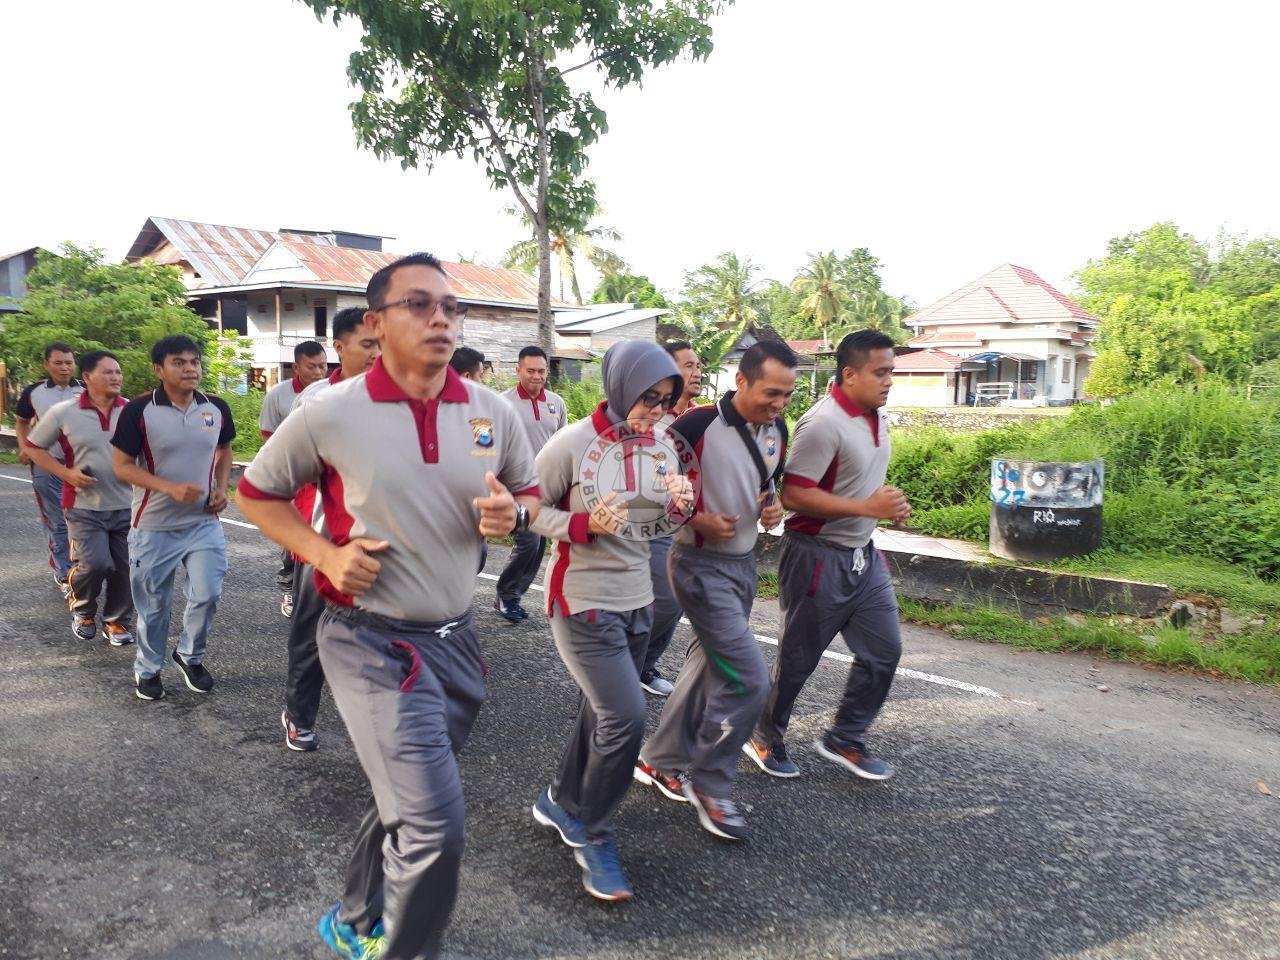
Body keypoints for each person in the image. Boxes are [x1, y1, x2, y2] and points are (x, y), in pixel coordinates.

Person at [236, 252, 539, 960]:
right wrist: (323, 554)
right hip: (367, 642)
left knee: (401, 798)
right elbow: (256, 494)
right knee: (434, 822)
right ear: (376, 323)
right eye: (420, 304)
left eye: (451, 307)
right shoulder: (330, 412)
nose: (441, 318)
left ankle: (354, 914)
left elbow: (528, 494)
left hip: (456, 638)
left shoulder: (489, 410)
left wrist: (513, 515)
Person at [529, 341, 687, 901]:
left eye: (667, 401)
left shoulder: (663, 444)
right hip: (582, 600)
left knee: (598, 714)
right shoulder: (572, 444)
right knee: (625, 715)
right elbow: (528, 511)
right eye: (648, 398)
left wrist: (678, 501)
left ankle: (561, 801)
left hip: (637, 599)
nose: (656, 411)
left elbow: (656, 519)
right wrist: (582, 524)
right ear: (620, 387)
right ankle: (593, 832)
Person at [636, 341, 796, 842]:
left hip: (743, 567)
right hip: (697, 567)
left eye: (788, 395)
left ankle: (658, 760)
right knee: (748, 677)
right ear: (741, 382)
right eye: (771, 392)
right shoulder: (694, 427)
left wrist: (772, 509)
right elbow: (648, 494)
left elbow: (769, 486)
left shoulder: (778, 429)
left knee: (707, 664)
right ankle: (710, 779)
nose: (779, 404)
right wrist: (698, 517)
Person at [748, 330, 910, 781]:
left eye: (891, 371)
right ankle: (764, 734)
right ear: (850, 374)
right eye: (881, 372)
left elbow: (856, 481)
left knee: (884, 651)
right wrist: (865, 507)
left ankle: (845, 736)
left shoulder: (875, 415)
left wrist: (885, 506)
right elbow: (795, 494)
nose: (889, 381)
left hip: (864, 554)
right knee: (798, 659)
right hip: (816, 557)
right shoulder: (823, 423)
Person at [111, 335, 235, 702]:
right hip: (154, 527)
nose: (190, 368)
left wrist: (222, 488)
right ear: (159, 369)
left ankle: (189, 655)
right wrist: (167, 487)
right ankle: (148, 669)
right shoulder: (138, 411)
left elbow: (225, 450)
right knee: (154, 604)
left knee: (208, 593)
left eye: (194, 361)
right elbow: (121, 467)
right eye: (179, 362)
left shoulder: (215, 407)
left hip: (203, 523)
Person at [279, 307, 381, 752]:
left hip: (383, 540)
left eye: (382, 344)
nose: (377, 354)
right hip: (325, 537)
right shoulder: (316, 400)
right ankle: (299, 714)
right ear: (339, 348)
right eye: (366, 344)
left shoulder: (399, 398)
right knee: (312, 634)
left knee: (381, 636)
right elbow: (286, 471)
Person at [23, 350, 134, 645]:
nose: (116, 377)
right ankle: (83, 609)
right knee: (95, 564)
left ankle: (117, 622)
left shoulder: (132, 411)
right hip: (84, 506)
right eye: (108, 372)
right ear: (87, 377)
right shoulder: (64, 412)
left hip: (128, 505)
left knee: (127, 568)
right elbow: (34, 447)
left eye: (118, 372)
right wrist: (65, 472)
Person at [638, 340, 706, 697]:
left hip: (687, 523)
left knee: (673, 603)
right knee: (659, 600)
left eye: (698, 365)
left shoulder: (700, 416)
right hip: (648, 523)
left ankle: (644, 665)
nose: (696, 372)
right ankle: (623, 668)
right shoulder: (651, 417)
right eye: (688, 365)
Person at [493, 345, 566, 622]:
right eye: (531, 371)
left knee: (539, 545)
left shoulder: (556, 403)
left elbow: (561, 443)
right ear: (518, 370)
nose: (537, 376)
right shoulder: (502, 403)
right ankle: (506, 593)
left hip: (547, 485)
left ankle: (512, 594)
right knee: (529, 542)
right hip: (515, 486)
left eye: (542, 371)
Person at [261, 340, 330, 619]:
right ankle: (290, 586)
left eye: (323, 366)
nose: (318, 372)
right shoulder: (278, 396)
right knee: (294, 538)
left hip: (323, 480)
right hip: (292, 476)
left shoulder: (333, 392)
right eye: (312, 366)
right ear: (296, 367)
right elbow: (268, 436)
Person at [14, 342, 84, 596]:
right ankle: (64, 571)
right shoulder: (34, 392)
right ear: (46, 365)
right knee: (57, 520)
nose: (64, 368)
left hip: (81, 466)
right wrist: (25, 447)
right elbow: (21, 422)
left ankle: (84, 567)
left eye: (68, 362)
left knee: (83, 519)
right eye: (58, 362)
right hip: (46, 463)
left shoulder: (87, 389)